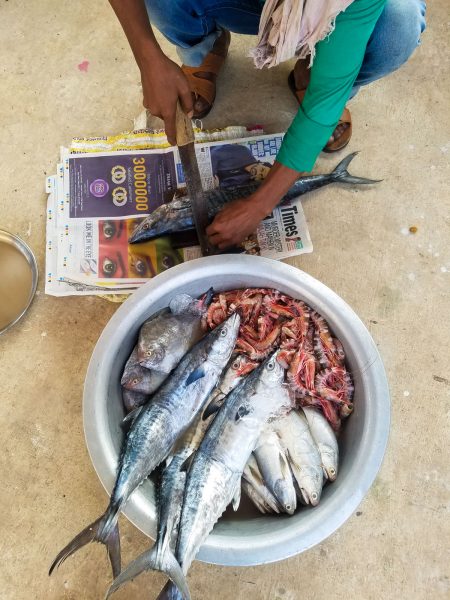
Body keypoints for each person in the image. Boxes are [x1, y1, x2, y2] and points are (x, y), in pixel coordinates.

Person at [109, 0, 426, 249]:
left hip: (330, 14)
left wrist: (259, 205)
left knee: (398, 25)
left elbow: (322, 106)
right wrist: (147, 56)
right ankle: (203, 49)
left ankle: (316, 65)